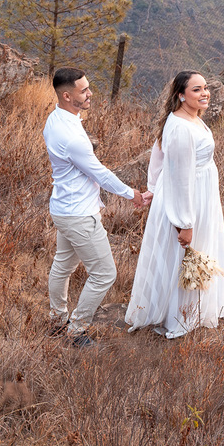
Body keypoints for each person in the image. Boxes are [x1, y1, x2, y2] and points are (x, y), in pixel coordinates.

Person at [44, 67, 150, 347]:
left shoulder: (56, 119)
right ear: (67, 96)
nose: (90, 93)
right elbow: (99, 173)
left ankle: (57, 321)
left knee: (63, 265)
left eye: (89, 87)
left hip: (64, 209)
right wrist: (133, 195)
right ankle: (76, 331)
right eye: (84, 90)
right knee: (105, 274)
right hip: (79, 214)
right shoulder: (72, 136)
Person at [126, 71, 224, 338]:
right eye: (197, 90)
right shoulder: (182, 127)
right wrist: (185, 223)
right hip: (189, 199)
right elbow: (182, 178)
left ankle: (189, 312)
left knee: (184, 257)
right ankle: (179, 317)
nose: (204, 93)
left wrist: (152, 188)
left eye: (205, 88)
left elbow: (158, 154)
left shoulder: (187, 118)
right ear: (181, 95)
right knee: (184, 256)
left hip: (198, 193)